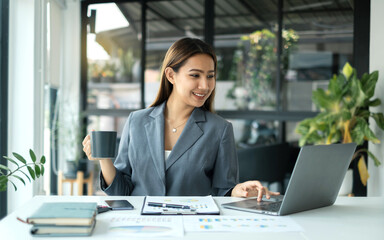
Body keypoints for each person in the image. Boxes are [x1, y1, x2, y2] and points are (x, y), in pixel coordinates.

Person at [82, 37, 279, 201]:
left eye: (210, 76)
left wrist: (239, 191)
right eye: (195, 75)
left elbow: (223, 191)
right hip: (141, 227)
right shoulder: (137, 122)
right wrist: (104, 160)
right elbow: (121, 192)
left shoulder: (220, 129)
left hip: (194, 228)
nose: (205, 85)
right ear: (171, 75)